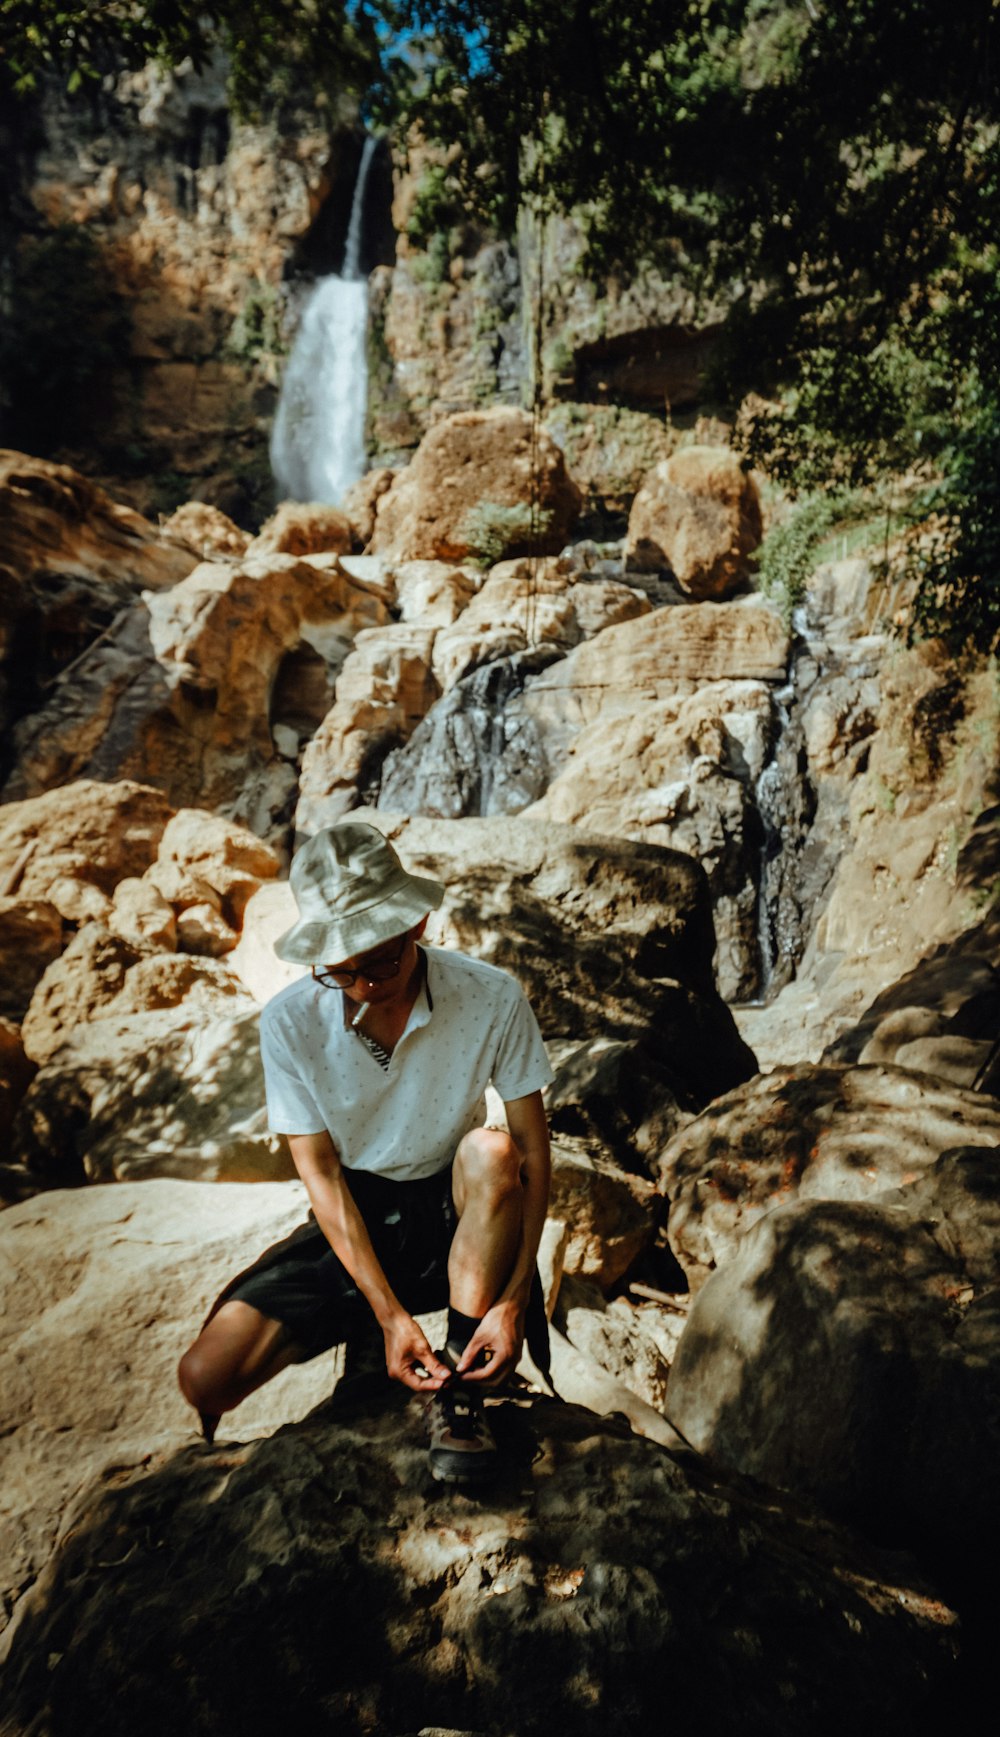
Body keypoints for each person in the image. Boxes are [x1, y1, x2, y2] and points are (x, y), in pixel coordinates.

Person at [177, 820, 553, 1485]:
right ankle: (376, 1341)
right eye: (339, 969)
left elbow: (531, 1148)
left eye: (380, 961)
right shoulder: (291, 1021)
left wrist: (515, 1300)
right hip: (356, 1212)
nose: (362, 985)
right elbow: (318, 1173)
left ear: (417, 924)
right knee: (206, 1377)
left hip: (458, 1206)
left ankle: (461, 1387)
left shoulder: (491, 995)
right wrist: (389, 1316)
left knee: (493, 1153)